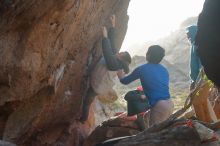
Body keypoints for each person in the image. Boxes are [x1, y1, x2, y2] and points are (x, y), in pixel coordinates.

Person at [79, 15, 132, 122]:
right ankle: (84, 117)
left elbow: (107, 52)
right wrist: (113, 25)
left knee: (86, 102)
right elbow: (113, 44)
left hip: (96, 86)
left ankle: (83, 119)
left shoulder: (115, 64)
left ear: (121, 58)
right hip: (98, 82)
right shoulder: (117, 59)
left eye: (120, 53)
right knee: (87, 99)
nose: (118, 52)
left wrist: (104, 37)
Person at [118, 45, 174, 127]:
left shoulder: (142, 69)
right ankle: (145, 135)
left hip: (159, 106)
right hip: (169, 103)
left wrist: (120, 74)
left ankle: (148, 137)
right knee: (146, 117)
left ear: (148, 55)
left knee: (155, 134)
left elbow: (125, 81)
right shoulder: (164, 70)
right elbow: (158, 87)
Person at [186, 25, 202, 90]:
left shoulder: (195, 45)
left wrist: (193, 81)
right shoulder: (203, 43)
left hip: (200, 80)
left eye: (188, 34)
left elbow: (194, 66)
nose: (187, 36)